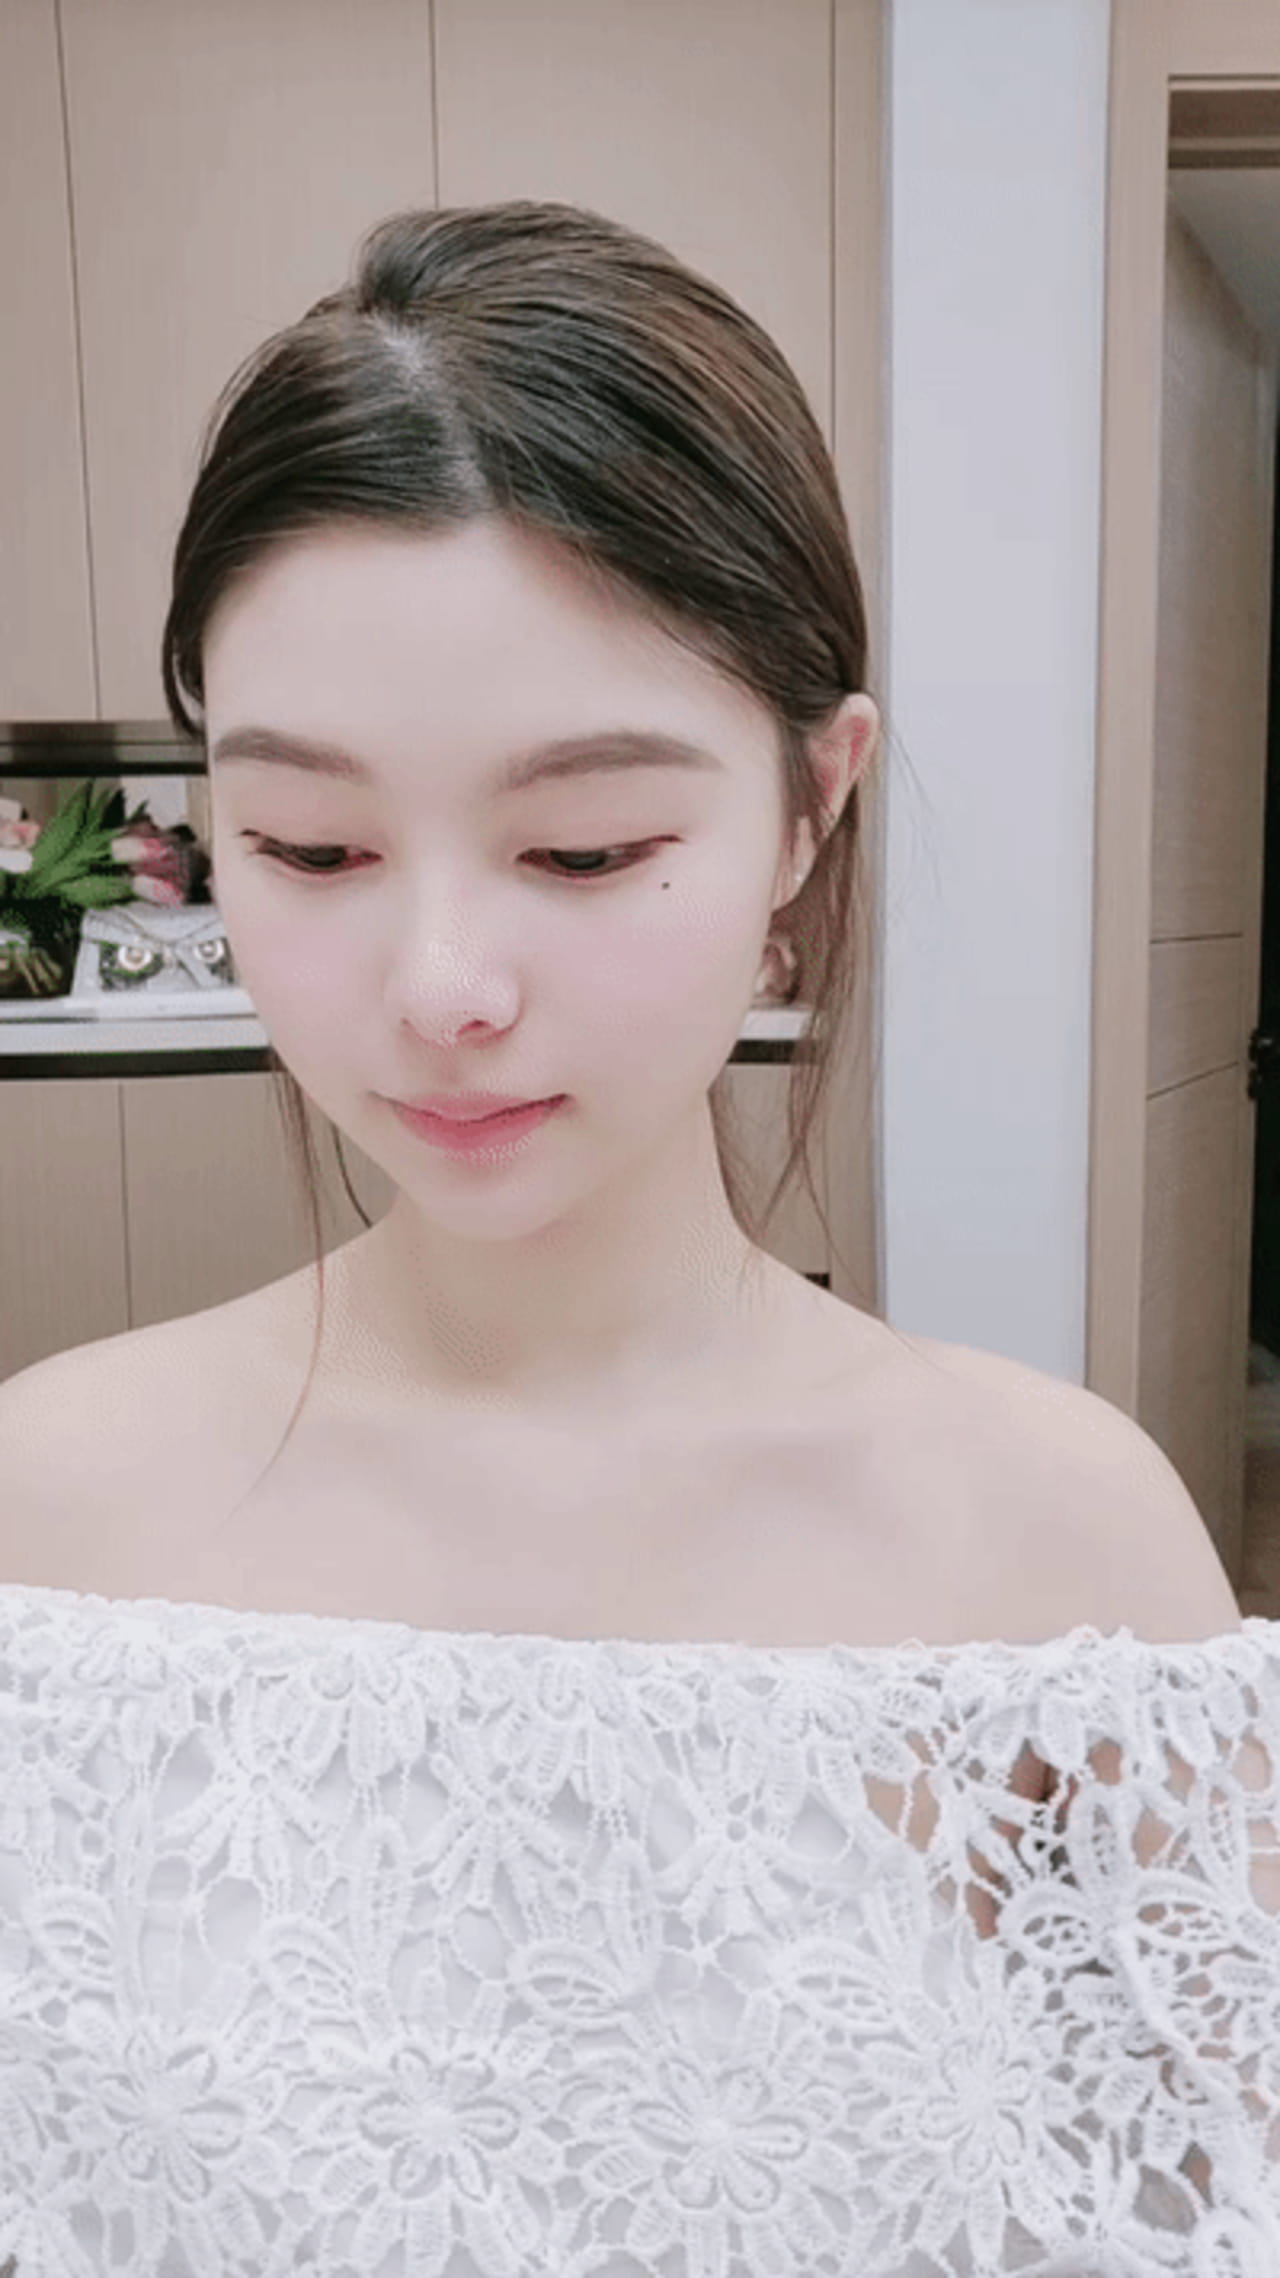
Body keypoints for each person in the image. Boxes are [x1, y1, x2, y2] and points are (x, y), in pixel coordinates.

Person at [0, 199, 1277, 2276]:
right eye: (307, 843)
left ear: (809, 806)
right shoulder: (49, 1510)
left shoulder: (1057, 1552)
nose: (441, 985)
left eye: (585, 848)